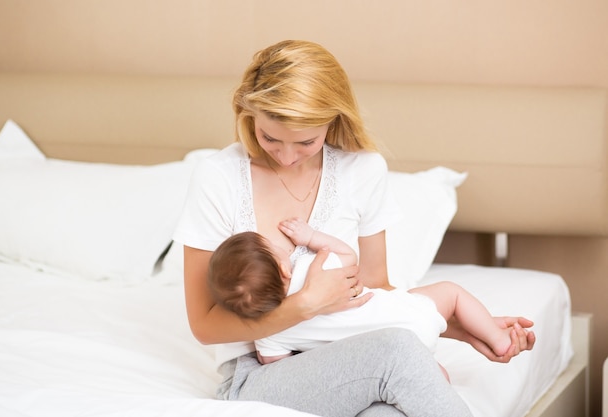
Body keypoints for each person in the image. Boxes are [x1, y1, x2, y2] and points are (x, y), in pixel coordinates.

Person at [173, 39, 534, 417]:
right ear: (248, 116)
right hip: (260, 372)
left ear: (334, 120)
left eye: (306, 142)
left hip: (350, 348)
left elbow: (374, 291)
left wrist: (459, 326)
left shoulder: (362, 170)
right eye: (270, 138)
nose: (286, 156)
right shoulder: (218, 177)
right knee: (397, 355)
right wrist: (306, 305)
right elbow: (205, 325)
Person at [208, 218, 524, 380]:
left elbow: (276, 365)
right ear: (282, 266)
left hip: (382, 354)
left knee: (426, 374)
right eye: (275, 246)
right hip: (409, 315)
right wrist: (311, 238)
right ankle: (497, 339)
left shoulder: (267, 331)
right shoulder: (314, 267)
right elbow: (349, 256)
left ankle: (438, 377)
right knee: (450, 293)